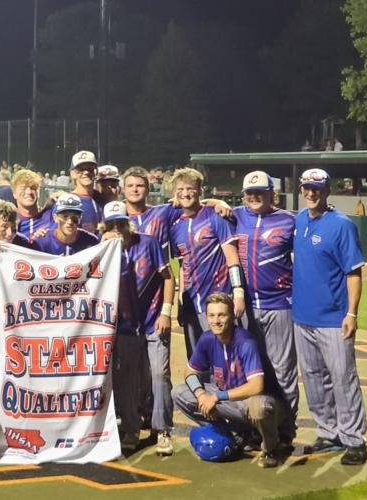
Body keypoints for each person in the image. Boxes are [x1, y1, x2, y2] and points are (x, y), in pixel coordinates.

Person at [292, 168, 367, 465]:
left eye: (317, 188)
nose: (311, 193)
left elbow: (354, 273)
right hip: (302, 317)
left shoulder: (342, 225)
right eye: (307, 188)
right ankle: (328, 432)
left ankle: (354, 440)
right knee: (313, 379)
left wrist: (351, 312)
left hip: (334, 319)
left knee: (343, 378)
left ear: (327, 190)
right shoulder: (298, 220)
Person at [172, 293, 286, 468]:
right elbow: (189, 371)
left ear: (232, 316)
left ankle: (271, 447)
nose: (216, 321)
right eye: (211, 315)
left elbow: (256, 386)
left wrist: (217, 397)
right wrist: (201, 394)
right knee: (179, 393)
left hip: (252, 401)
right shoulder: (207, 339)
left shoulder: (245, 341)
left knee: (259, 408)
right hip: (227, 401)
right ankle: (232, 433)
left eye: (221, 315)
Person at [100, 201, 176, 455]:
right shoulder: (102, 249)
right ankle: (131, 429)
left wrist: (166, 312)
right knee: (127, 380)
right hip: (123, 325)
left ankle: (162, 430)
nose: (117, 229)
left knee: (159, 375)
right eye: (111, 226)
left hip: (154, 319)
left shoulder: (148, 242)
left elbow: (168, 277)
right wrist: (103, 247)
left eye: (121, 224)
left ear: (129, 223)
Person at [233, 171, 299, 447]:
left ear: (272, 193)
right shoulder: (235, 215)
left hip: (279, 304)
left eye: (260, 191)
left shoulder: (289, 220)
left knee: (283, 371)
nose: (254, 196)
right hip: (246, 308)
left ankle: (285, 431)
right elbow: (207, 206)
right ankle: (253, 428)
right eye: (249, 192)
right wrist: (214, 202)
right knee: (250, 370)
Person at [169, 167, 245, 358]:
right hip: (192, 304)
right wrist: (180, 303)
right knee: (196, 358)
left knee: (225, 357)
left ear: (200, 190)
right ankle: (200, 389)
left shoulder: (215, 216)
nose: (186, 193)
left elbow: (232, 257)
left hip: (219, 301)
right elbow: (183, 267)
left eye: (190, 188)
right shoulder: (175, 227)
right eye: (181, 189)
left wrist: (238, 292)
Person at [31, 193, 99, 256]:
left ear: (80, 218)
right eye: (65, 216)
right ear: (55, 218)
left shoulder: (91, 242)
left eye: (74, 217)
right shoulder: (41, 242)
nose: (70, 222)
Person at [12, 169, 55, 242]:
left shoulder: (50, 216)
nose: (29, 192)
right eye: (23, 188)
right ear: (14, 194)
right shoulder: (10, 221)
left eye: (33, 188)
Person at [68, 150, 104, 234]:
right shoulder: (67, 201)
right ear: (73, 173)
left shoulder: (101, 198)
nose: (86, 172)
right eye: (81, 169)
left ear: (96, 172)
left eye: (90, 169)